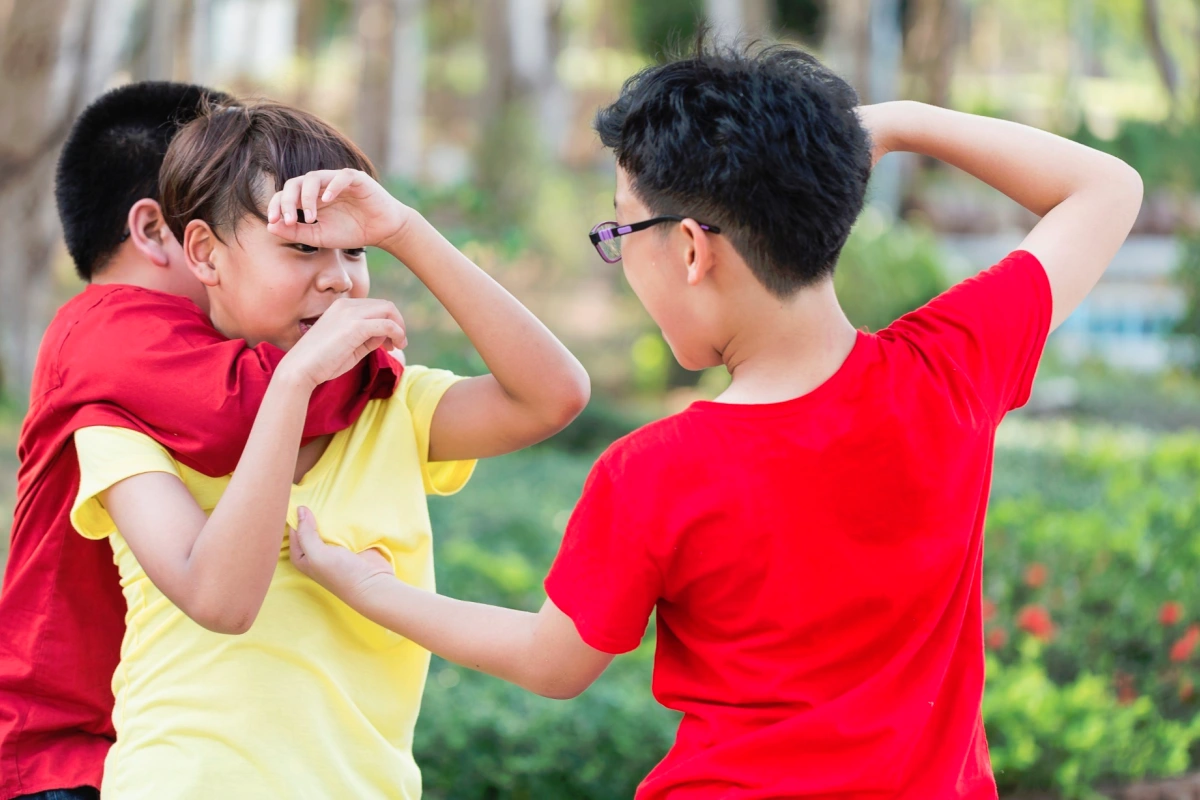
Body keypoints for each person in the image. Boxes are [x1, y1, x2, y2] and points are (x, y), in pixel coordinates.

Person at [288, 38, 1144, 798]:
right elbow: (1105, 188)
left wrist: (368, 587)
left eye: (621, 233)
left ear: (692, 249)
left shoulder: (654, 471)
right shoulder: (949, 369)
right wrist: (900, 121)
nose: (622, 258)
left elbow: (554, 662)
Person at [67, 98, 589, 798]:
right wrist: (294, 386)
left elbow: (553, 395)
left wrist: (404, 228)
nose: (339, 276)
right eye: (303, 248)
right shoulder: (119, 419)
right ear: (204, 253)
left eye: (355, 251)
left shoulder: (389, 405)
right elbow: (222, 601)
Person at [0, 81, 400, 800]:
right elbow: (244, 407)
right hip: (66, 751)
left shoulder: (151, 338)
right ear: (162, 233)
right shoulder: (107, 329)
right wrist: (360, 353)